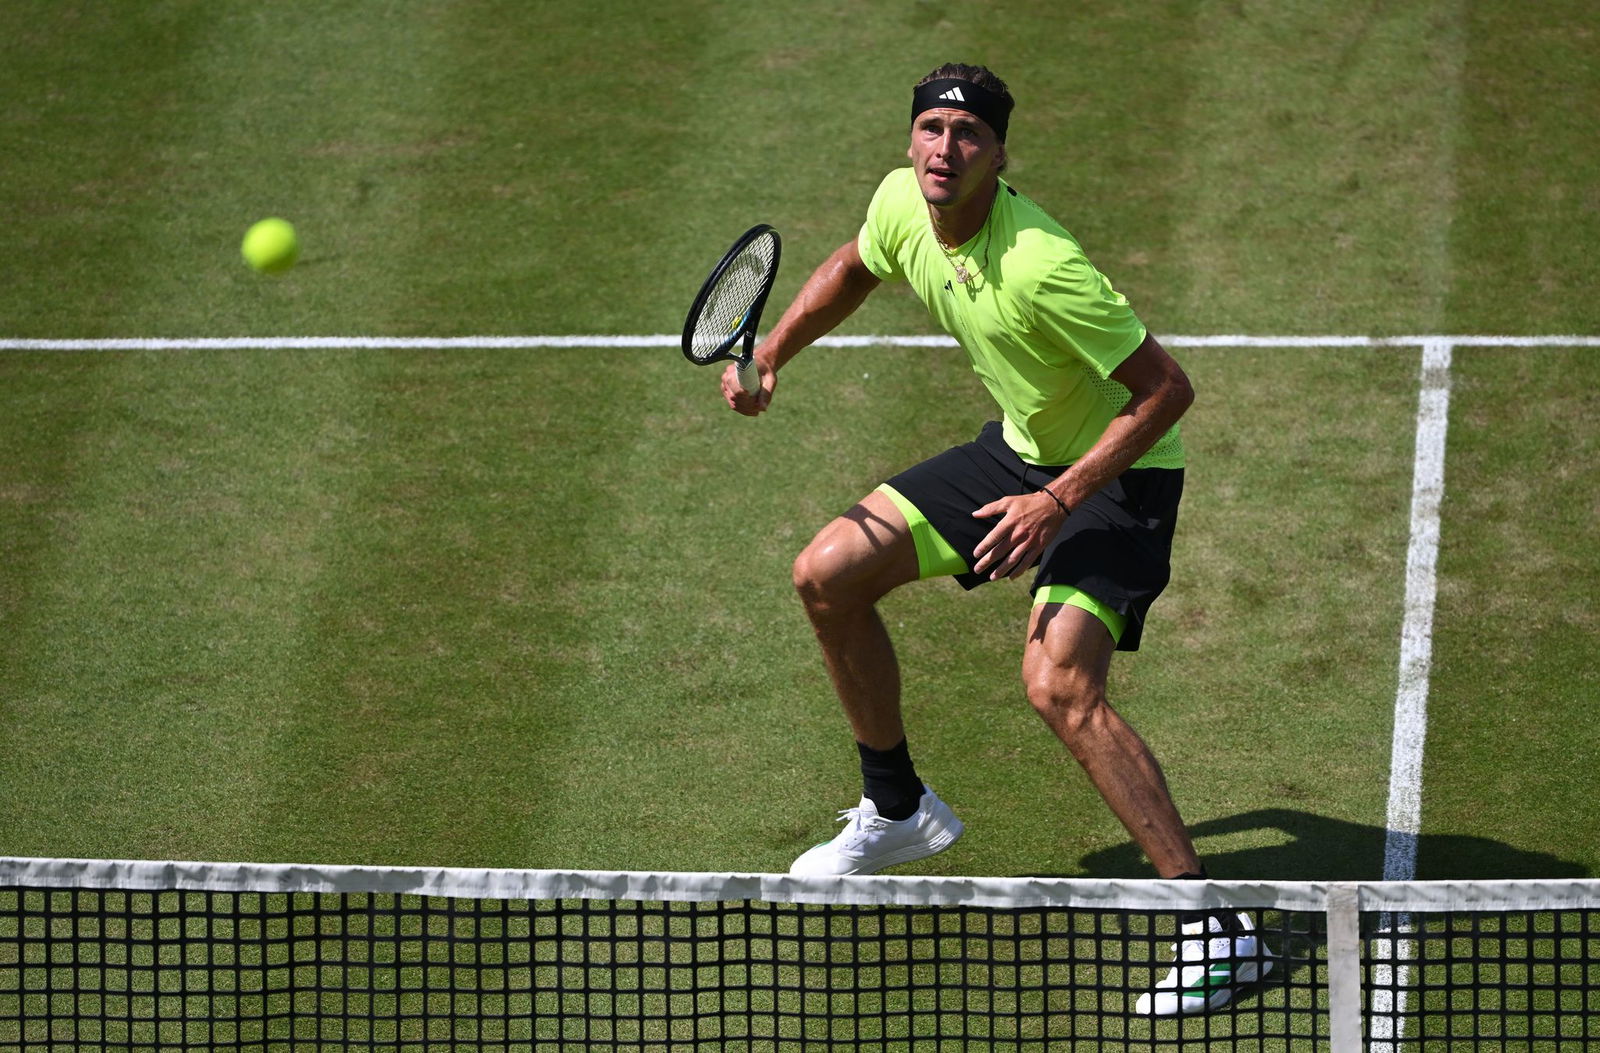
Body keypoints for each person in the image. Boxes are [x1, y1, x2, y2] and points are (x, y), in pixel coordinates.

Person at [719, 63, 1268, 1014]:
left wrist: (1057, 499)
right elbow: (856, 265)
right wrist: (773, 352)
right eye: (932, 128)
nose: (945, 148)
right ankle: (897, 806)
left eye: (968, 134)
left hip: (1117, 473)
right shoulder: (902, 202)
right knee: (826, 573)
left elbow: (1167, 390)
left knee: (1060, 686)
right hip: (1016, 452)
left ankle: (1219, 926)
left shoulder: (1044, 265)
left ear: (999, 155)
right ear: (911, 140)